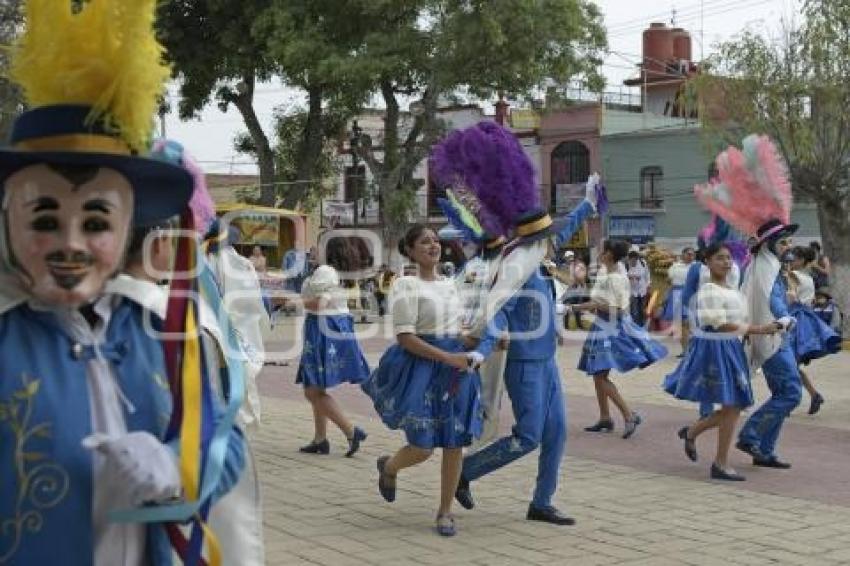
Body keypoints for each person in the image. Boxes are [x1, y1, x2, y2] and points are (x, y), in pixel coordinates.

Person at [0, 5, 245, 562]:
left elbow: (227, 452)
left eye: (95, 222)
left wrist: (179, 467)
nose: (72, 243)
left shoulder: (162, 328)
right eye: (43, 220)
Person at [432, 122, 601, 526]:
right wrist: (480, 351)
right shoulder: (512, 273)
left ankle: (541, 502)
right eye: (545, 235)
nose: (552, 239)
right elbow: (496, 316)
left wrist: (588, 204)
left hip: (548, 362)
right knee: (528, 436)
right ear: (531, 239)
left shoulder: (535, 258)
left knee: (556, 433)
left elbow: (564, 228)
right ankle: (466, 474)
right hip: (524, 365)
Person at [361, 225, 485, 537]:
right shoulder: (405, 284)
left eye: (435, 240)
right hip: (422, 367)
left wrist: (477, 342)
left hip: (456, 368)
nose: (433, 245)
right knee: (424, 445)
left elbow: (453, 329)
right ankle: (389, 467)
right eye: (424, 241)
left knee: (455, 441)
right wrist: (448, 358)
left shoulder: (450, 283)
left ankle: (445, 512)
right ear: (411, 250)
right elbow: (405, 338)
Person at [664, 243, 782, 481]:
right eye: (719, 258)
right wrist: (760, 329)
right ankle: (719, 462)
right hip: (714, 348)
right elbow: (717, 323)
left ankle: (694, 433)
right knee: (734, 404)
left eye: (728, 258)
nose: (726, 262)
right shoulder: (708, 290)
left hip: (731, 347)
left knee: (734, 405)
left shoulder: (731, 289)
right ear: (706, 262)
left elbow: (738, 320)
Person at [574, 240, 668, 438]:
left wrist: (581, 308)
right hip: (601, 326)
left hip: (611, 328)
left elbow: (618, 310)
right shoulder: (605, 271)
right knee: (598, 374)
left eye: (603, 250)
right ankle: (605, 417)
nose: (599, 252)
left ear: (609, 254)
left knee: (600, 375)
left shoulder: (617, 277)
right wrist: (574, 307)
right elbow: (598, 301)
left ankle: (628, 415)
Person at [297, 264, 370, 456]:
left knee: (312, 391)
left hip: (324, 330)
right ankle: (320, 439)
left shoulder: (327, 272)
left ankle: (351, 431)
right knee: (317, 388)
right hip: (329, 328)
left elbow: (321, 303)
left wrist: (292, 301)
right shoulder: (333, 273)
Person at [785, 246, 841, 415]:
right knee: (790, 364)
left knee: (787, 364)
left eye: (793, 258)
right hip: (806, 321)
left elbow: (790, 298)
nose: (790, 260)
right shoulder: (809, 278)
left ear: (801, 260)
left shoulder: (793, 276)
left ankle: (789, 399)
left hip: (793, 321)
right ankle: (812, 395)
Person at [661, 247, 694, 341]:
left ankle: (688, 335)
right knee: (677, 317)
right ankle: (680, 336)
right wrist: (666, 295)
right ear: (683, 255)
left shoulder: (696, 267)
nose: (690, 256)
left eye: (692, 254)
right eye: (688, 254)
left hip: (690, 293)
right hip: (676, 292)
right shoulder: (675, 266)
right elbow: (670, 281)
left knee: (688, 317)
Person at [627, 249, 651, 326]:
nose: (633, 262)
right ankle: (634, 326)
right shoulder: (626, 265)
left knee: (642, 309)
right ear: (629, 259)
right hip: (632, 291)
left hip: (642, 290)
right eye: (631, 260)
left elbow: (647, 275)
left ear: (637, 259)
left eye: (634, 260)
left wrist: (648, 286)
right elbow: (623, 277)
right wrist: (630, 277)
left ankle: (642, 326)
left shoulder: (643, 263)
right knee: (634, 310)